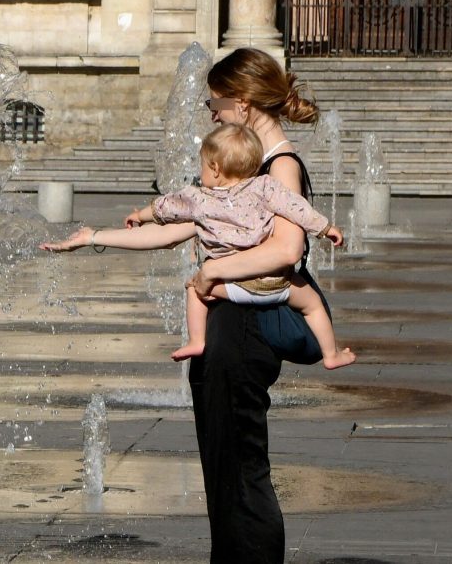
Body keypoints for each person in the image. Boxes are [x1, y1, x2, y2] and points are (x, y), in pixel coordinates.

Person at [42, 47, 324, 561]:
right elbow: (182, 228)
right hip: (229, 327)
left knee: (241, 469)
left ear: (241, 102)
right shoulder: (243, 163)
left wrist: (213, 270)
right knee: (224, 468)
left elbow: (288, 249)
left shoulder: (279, 166)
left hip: (246, 329)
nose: (210, 113)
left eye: (215, 102)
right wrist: (92, 237)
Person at [128, 123, 355, 369]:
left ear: (214, 168)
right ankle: (331, 355)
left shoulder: (198, 197)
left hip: (235, 285)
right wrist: (325, 228)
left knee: (194, 289)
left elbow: (166, 207)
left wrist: (139, 216)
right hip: (277, 283)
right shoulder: (265, 186)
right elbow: (296, 208)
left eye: (202, 165)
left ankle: (196, 340)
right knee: (313, 305)